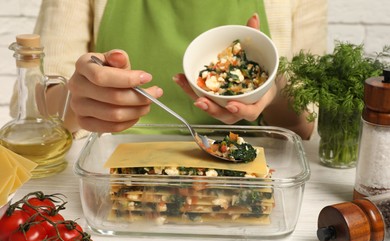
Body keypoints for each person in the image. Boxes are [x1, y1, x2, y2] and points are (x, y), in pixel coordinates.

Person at [11, 0, 327, 140]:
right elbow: (36, 104)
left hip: (253, 170)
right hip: (107, 166)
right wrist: (77, 101)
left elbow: (305, 123)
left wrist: (268, 89)